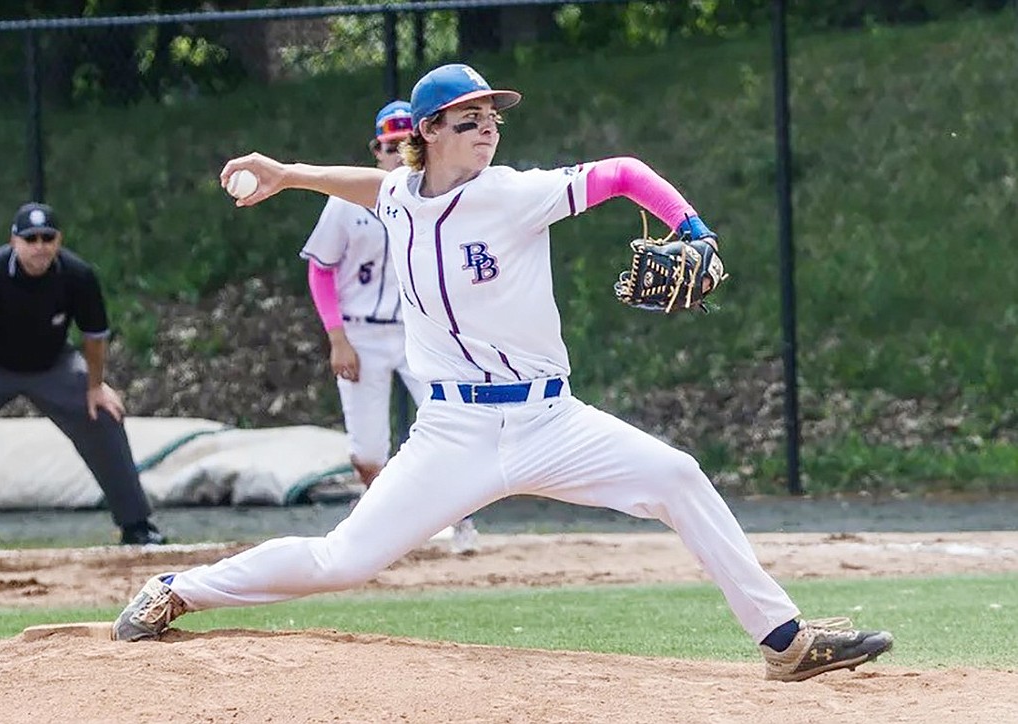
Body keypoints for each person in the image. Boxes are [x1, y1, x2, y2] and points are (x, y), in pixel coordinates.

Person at [114, 63, 893, 682]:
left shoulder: (516, 194)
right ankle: (179, 589)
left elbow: (622, 172)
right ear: (427, 134)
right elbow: (374, 185)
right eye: (469, 119)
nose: (488, 128)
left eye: (493, 117)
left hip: (552, 421)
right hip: (453, 431)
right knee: (342, 560)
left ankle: (785, 643)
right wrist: (288, 173)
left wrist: (690, 226)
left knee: (678, 476)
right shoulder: (399, 194)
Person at [0, 202, 166, 551]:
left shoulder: (77, 275)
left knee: (104, 416)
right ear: (14, 241)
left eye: (47, 238)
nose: (39, 247)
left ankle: (136, 525)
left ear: (58, 240)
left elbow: (94, 336)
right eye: (30, 239)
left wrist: (95, 387)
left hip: (52, 364)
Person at [301, 100, 479, 555]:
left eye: (404, 144)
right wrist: (337, 336)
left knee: (455, 423)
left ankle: (460, 520)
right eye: (387, 146)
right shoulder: (348, 202)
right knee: (367, 451)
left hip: (422, 331)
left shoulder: (441, 198)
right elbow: (321, 269)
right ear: (375, 150)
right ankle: (389, 525)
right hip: (361, 331)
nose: (395, 153)